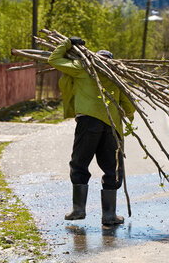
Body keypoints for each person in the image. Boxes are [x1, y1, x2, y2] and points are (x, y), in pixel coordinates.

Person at [48, 36, 135, 225]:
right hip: (112, 127)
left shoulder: (83, 68)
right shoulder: (116, 76)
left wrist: (67, 43)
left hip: (88, 123)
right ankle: (109, 216)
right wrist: (127, 118)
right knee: (112, 168)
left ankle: (78, 210)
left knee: (79, 163)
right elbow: (129, 105)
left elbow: (53, 60)